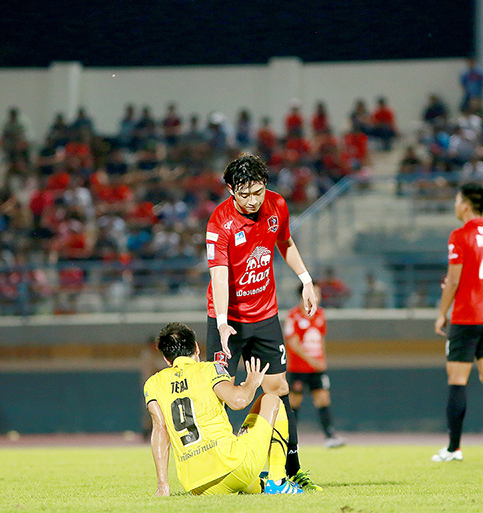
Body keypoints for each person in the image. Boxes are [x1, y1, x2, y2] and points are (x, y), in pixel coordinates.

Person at [204, 153, 322, 491]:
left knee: (279, 389)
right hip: (228, 320)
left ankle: (291, 470)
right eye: (245, 194)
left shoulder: (277, 205)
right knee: (219, 394)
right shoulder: (219, 223)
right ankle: (218, 469)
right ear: (231, 190)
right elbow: (219, 276)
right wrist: (222, 322)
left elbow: (285, 241)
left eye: (258, 192)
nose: (253, 200)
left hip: (265, 315)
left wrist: (306, 280)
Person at [143, 322, 302, 495]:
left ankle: (261, 484)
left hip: (197, 485)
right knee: (271, 399)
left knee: (244, 480)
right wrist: (251, 383)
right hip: (231, 466)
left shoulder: (153, 384)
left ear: (167, 359)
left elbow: (160, 429)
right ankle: (278, 480)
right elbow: (238, 401)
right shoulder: (209, 369)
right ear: (196, 347)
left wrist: (163, 485)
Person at [433, 183, 483, 462]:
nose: (455, 205)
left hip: (468, 315)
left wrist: (442, 313)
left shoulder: (460, 235)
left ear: (465, 206)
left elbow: (453, 280)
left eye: (457, 200)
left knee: (457, 380)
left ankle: (453, 449)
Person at [284, 286, 345, 448]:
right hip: (298, 368)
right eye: (314, 293)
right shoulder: (293, 316)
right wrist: (312, 360)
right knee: (294, 402)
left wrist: (322, 359)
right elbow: (293, 343)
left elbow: (321, 338)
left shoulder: (320, 314)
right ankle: (289, 438)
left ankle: (330, 436)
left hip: (316, 369)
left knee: (323, 398)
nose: (317, 296)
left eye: (318, 293)